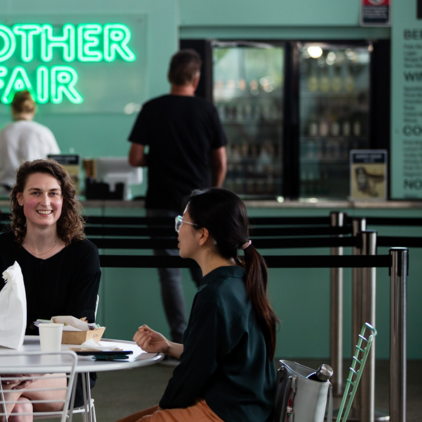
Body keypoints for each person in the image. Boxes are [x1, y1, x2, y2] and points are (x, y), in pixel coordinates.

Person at [117, 188, 278, 422]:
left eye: (182, 221)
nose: (178, 228)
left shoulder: (215, 294)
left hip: (226, 412)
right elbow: (213, 353)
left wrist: (164, 410)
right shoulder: (240, 278)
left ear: (202, 235)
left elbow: (191, 374)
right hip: (246, 409)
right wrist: (168, 346)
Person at [0, 159, 101, 420]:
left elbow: (76, 332)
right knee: (19, 409)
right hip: (4, 364)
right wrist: (12, 367)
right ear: (20, 198)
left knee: (4, 383)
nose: (46, 202)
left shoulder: (83, 254)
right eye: (36, 193)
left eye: (53, 193)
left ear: (63, 199)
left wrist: (33, 370)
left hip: (65, 371)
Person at [127, 49, 228, 361]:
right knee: (209, 272)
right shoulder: (207, 110)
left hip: (160, 201)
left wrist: (156, 159)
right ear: (196, 79)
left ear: (170, 76)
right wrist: (213, 195)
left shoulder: (152, 108)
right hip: (199, 207)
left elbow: (134, 157)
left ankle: (180, 341)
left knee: (169, 275)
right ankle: (212, 339)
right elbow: (220, 162)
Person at [0, 91, 60, 197]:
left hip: (4, 195)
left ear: (12, 109)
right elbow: (58, 167)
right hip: (34, 195)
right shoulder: (43, 133)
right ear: (34, 109)